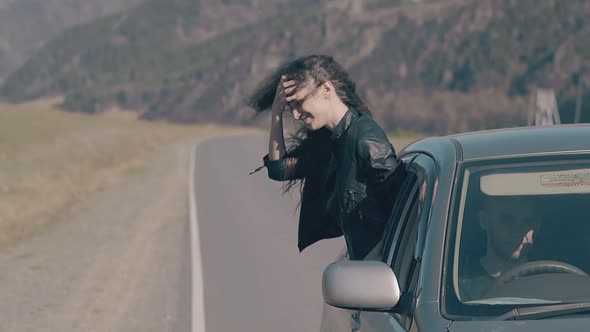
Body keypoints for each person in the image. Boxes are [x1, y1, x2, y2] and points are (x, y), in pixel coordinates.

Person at [248, 55, 405, 260]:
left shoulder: (365, 140)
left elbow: (402, 205)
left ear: (326, 89)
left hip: (380, 271)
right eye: (290, 107)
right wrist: (276, 115)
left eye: (299, 103)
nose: (295, 115)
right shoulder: (329, 141)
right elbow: (279, 169)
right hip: (362, 263)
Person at [460, 196, 540, 301]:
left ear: (538, 225)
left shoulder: (550, 280)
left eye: (527, 222)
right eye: (507, 221)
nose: (518, 232)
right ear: (484, 221)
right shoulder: (459, 287)